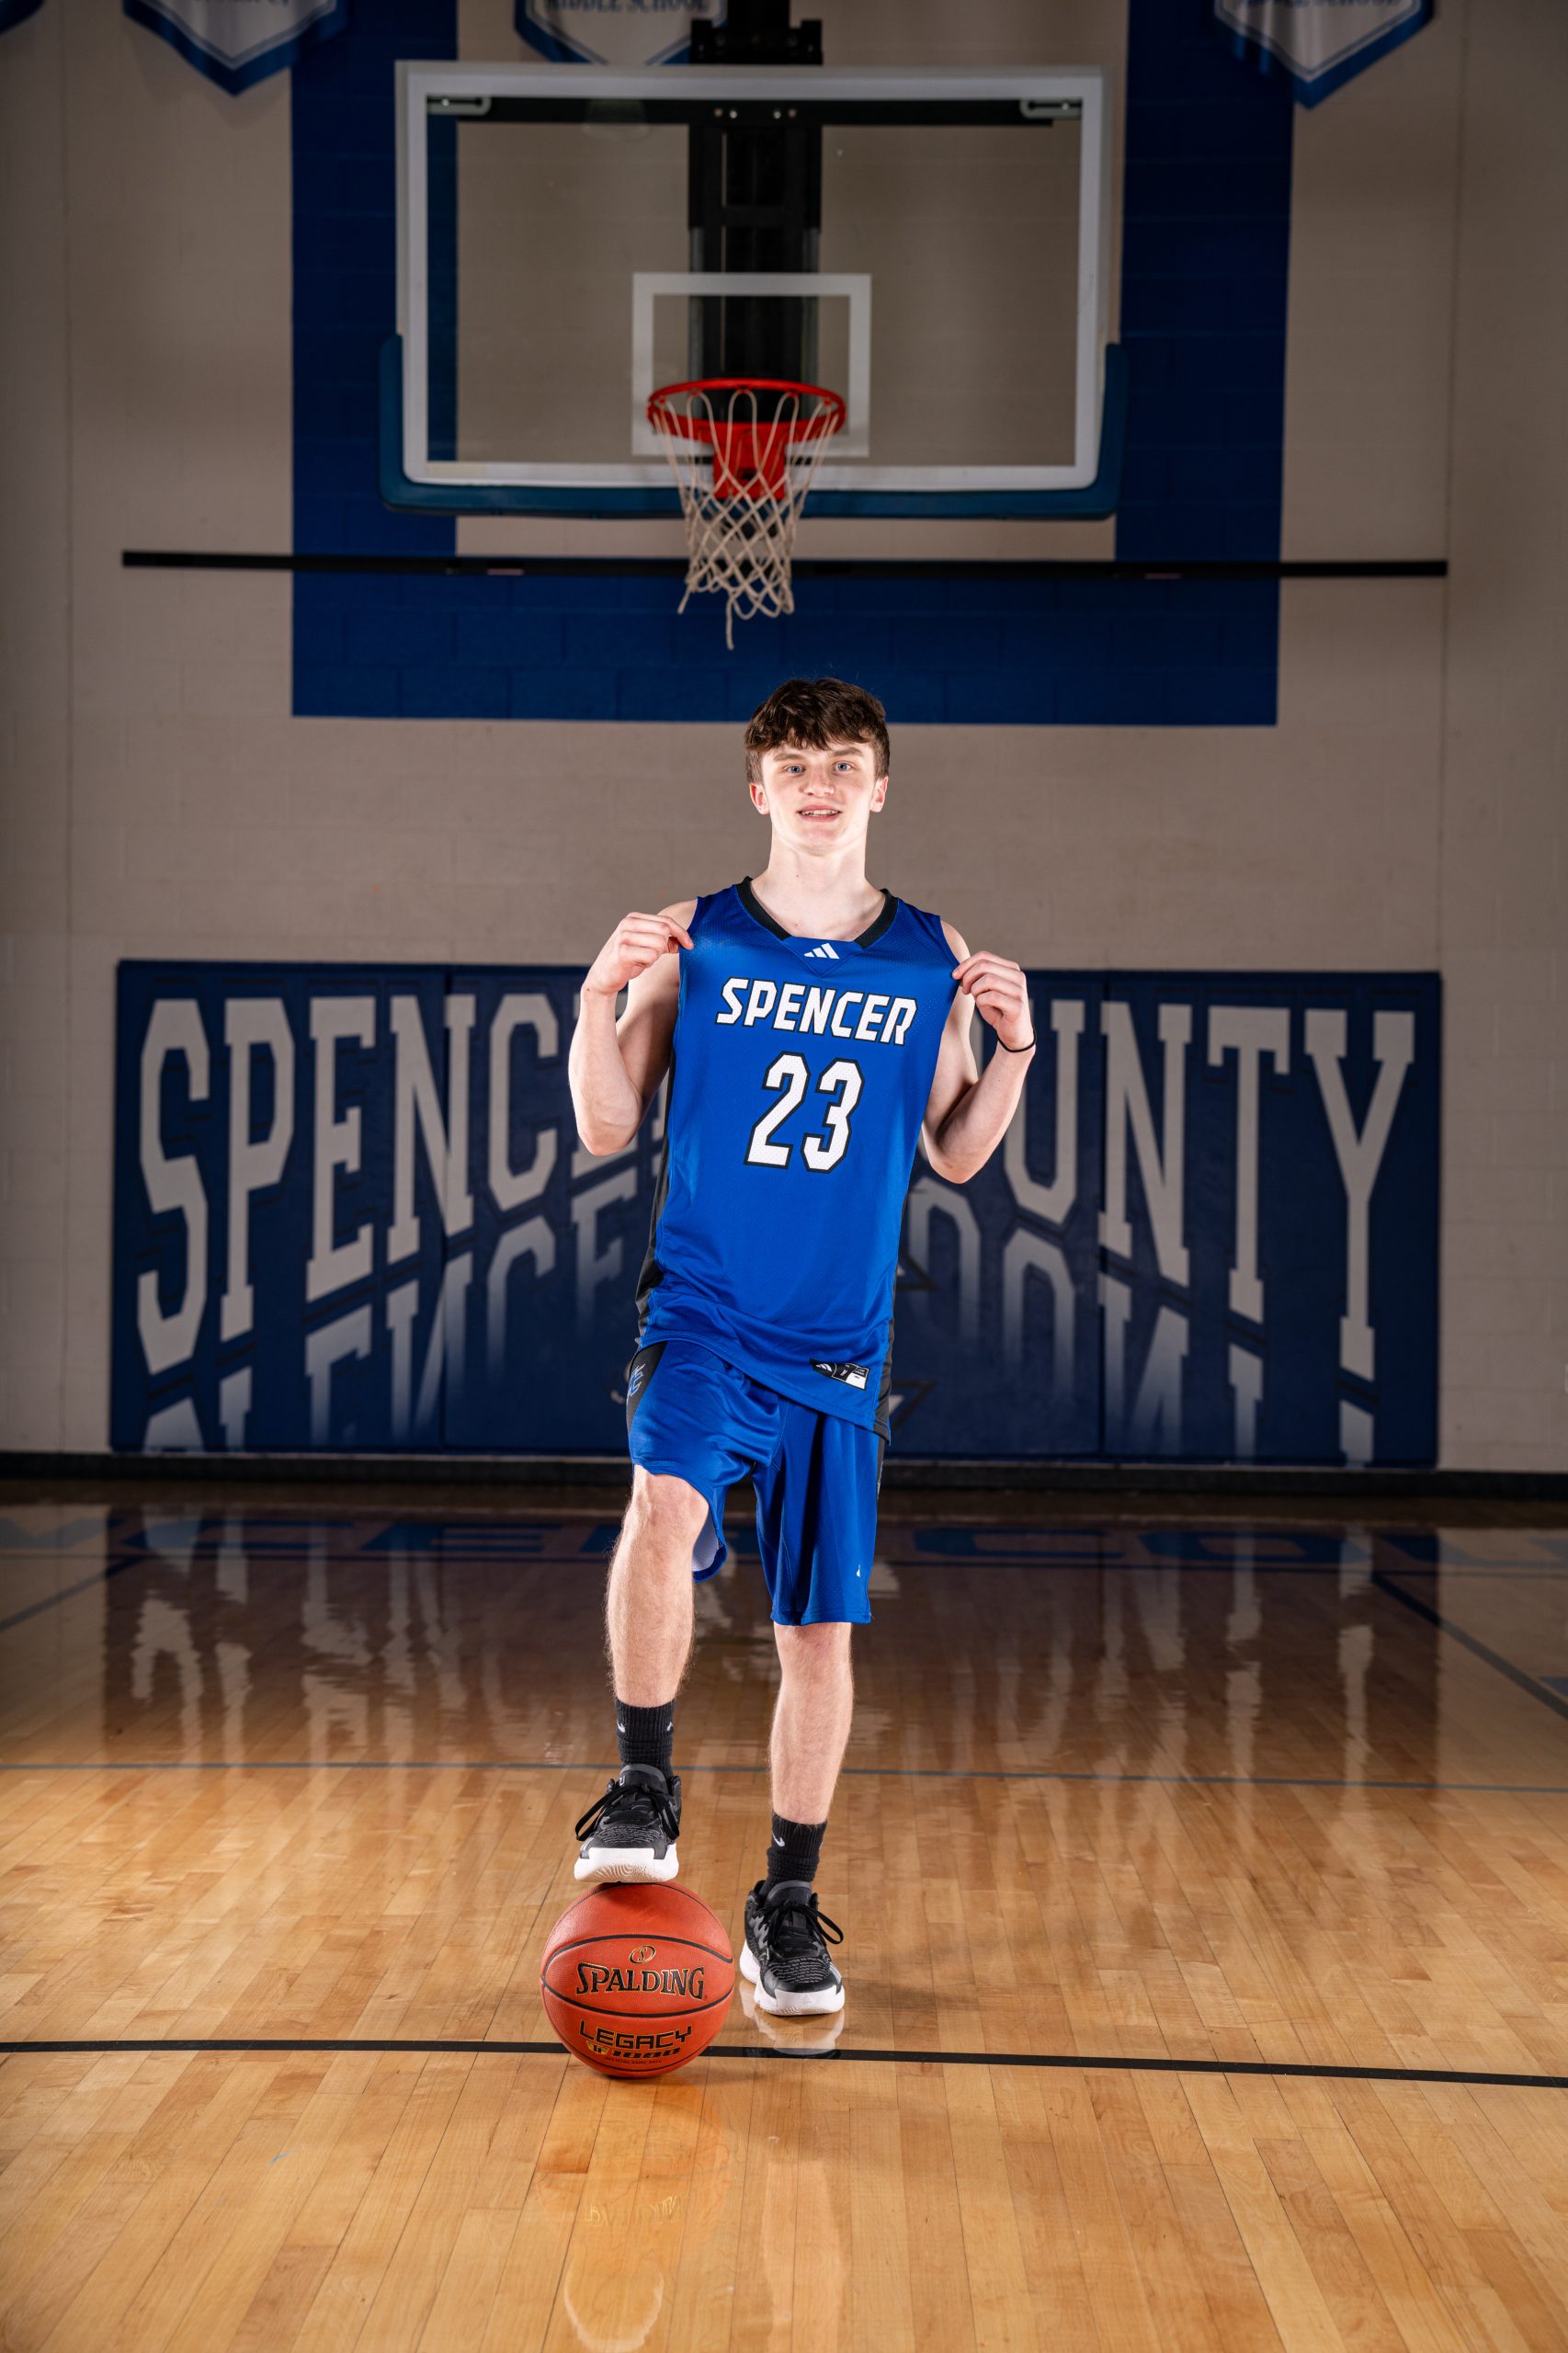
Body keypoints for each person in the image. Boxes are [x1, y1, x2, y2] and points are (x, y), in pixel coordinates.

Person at [566, 676, 1035, 2017]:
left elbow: (955, 1153)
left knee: (817, 1635)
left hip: (837, 1347)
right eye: (793, 766)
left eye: (841, 765)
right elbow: (605, 1124)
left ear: (879, 787)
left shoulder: (930, 955)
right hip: (705, 1313)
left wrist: (1013, 1049)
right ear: (756, 787)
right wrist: (595, 1000)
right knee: (660, 1504)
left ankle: (784, 1904)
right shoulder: (697, 938)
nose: (818, 786)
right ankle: (644, 1781)